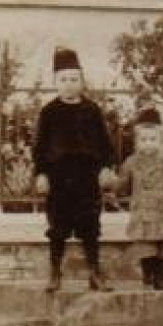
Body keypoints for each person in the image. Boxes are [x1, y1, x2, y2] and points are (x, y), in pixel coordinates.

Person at [33, 47, 118, 292]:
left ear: (81, 80)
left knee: (90, 226)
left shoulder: (92, 110)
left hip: (86, 177)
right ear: (55, 82)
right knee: (57, 227)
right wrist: (41, 174)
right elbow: (39, 147)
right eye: (63, 79)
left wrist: (105, 168)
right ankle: (55, 273)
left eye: (74, 79)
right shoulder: (49, 112)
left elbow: (106, 145)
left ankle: (94, 273)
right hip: (58, 178)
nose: (69, 84)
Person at [118, 108, 163, 290]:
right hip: (141, 209)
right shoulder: (131, 162)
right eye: (144, 140)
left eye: (153, 140)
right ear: (137, 143)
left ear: (161, 141)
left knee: (161, 243)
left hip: (162, 209)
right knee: (144, 243)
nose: (148, 144)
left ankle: (160, 276)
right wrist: (113, 185)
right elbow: (123, 183)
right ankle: (148, 273)